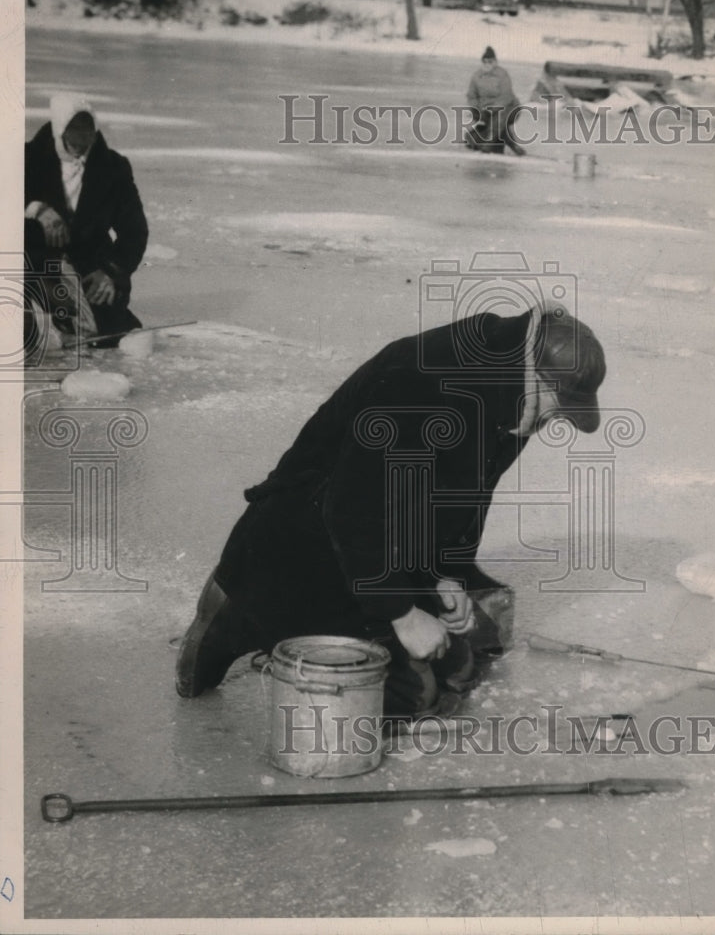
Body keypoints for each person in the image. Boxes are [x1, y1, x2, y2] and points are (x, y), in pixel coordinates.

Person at [175, 301, 606, 719]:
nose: (559, 420)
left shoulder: (513, 394)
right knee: (409, 696)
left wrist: (444, 574)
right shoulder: (422, 382)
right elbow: (350, 508)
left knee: (458, 665)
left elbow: (462, 498)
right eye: (561, 404)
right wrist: (401, 614)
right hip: (301, 544)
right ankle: (237, 608)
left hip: (371, 546)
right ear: (537, 377)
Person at [24, 92, 148, 350]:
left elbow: (135, 231)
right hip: (33, 260)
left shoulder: (113, 168)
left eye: (87, 137)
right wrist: (36, 208)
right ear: (59, 131)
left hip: (89, 265)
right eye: (73, 139)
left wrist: (112, 272)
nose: (81, 148)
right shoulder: (27, 159)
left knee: (108, 331)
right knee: (25, 323)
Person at [465, 46, 526, 156]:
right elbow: (471, 96)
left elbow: (506, 96)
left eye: (490, 61)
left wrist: (493, 109)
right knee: (474, 137)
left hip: (509, 108)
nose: (487, 64)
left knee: (499, 116)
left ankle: (489, 143)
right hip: (486, 111)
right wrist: (477, 108)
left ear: (495, 62)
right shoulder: (476, 76)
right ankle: (512, 144)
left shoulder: (502, 75)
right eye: (484, 61)